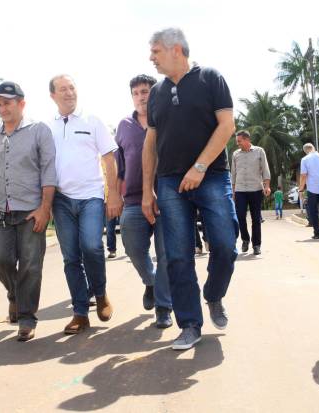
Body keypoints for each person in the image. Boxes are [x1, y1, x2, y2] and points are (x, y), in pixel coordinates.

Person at [142, 27, 239, 350]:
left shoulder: (210, 78)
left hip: (211, 176)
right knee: (178, 256)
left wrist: (199, 167)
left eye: (156, 51)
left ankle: (213, 295)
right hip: (169, 182)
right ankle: (190, 324)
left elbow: (227, 126)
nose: (151, 58)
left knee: (225, 245)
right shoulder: (156, 92)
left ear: (176, 50)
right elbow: (150, 143)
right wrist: (146, 190)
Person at [0, 81, 57, 342]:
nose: (2, 108)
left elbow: (49, 170)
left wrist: (45, 208)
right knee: (0, 259)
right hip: (0, 210)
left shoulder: (39, 131)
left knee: (30, 265)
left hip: (31, 211)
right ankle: (15, 295)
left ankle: (26, 318)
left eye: (7, 103)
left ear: (21, 104)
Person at [49, 74, 121, 335]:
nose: (69, 93)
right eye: (63, 89)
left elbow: (109, 158)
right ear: (53, 96)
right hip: (61, 200)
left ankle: (100, 294)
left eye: (72, 88)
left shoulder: (93, 120)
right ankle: (80, 312)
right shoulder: (48, 128)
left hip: (91, 196)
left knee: (92, 247)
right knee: (70, 257)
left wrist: (113, 193)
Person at [115, 73, 173, 328]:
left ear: (154, 93)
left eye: (146, 91)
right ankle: (150, 281)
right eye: (137, 92)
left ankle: (164, 307)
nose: (141, 96)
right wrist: (114, 196)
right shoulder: (124, 125)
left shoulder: (167, 120)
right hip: (133, 200)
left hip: (167, 199)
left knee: (165, 254)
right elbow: (119, 166)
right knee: (132, 247)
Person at [231, 130, 271, 255]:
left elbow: (265, 169)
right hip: (240, 190)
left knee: (256, 218)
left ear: (247, 139)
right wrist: (233, 191)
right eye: (237, 141)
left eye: (239, 141)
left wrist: (267, 186)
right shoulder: (235, 154)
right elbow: (233, 173)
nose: (238, 144)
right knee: (240, 216)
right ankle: (245, 239)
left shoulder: (259, 151)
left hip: (256, 189)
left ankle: (256, 245)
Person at [300, 143, 319, 240]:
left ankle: (317, 233)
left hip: (312, 190)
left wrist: (301, 189)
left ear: (305, 151)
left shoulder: (304, 159)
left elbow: (303, 175)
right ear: (314, 148)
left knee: (314, 212)